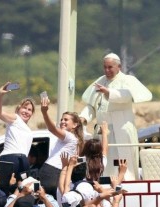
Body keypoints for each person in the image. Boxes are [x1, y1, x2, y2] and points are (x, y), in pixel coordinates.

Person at [79, 52, 152, 180]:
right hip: (103, 132)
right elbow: (92, 106)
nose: (107, 70)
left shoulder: (128, 80)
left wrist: (109, 92)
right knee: (104, 164)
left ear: (119, 67)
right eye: (105, 67)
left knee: (124, 165)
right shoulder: (100, 81)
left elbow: (128, 95)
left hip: (122, 130)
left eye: (110, 67)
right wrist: (83, 117)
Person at [39, 95, 84, 198]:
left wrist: (44, 112)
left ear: (75, 125)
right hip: (56, 173)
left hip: (52, 172)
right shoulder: (76, 141)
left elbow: (52, 129)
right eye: (61, 119)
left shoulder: (70, 137)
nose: (62, 122)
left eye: (66, 120)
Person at [0, 82, 35, 181]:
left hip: (22, 160)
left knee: (21, 191)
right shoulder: (15, 118)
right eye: (24, 108)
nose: (26, 111)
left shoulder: (27, 128)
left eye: (29, 110)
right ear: (18, 109)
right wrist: (0, 95)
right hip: (10, 158)